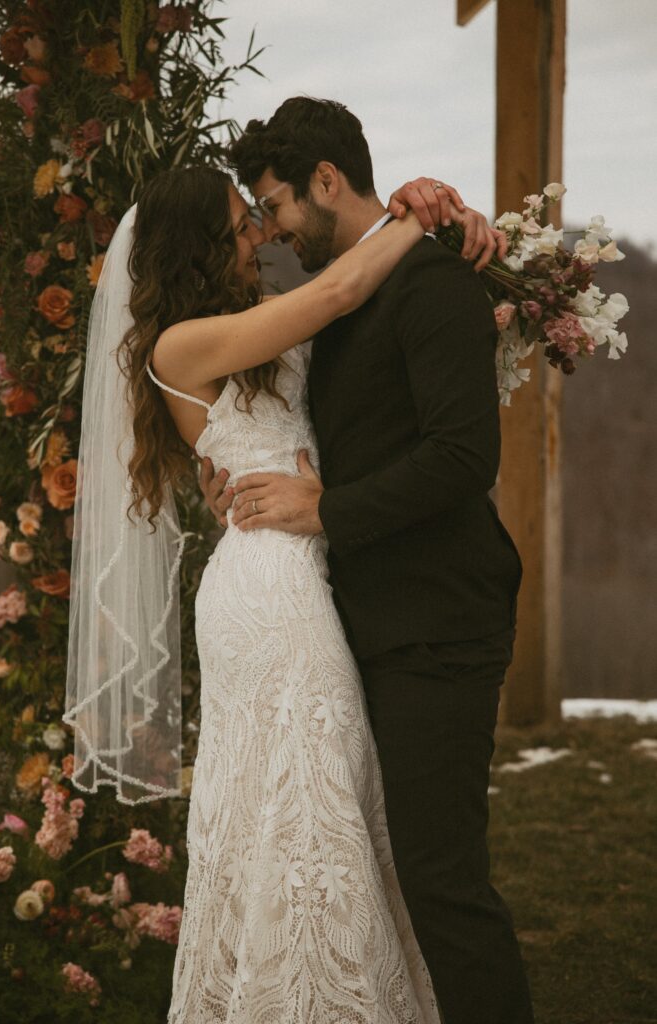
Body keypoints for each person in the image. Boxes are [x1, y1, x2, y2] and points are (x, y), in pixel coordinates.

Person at [64, 157, 502, 1023]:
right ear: (196, 243)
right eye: (239, 225)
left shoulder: (243, 325)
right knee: (307, 805)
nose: (256, 235)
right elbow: (336, 296)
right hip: (271, 587)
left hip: (306, 562)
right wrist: (416, 214)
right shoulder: (179, 345)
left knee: (319, 799)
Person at [200, 97, 535, 1024]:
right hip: (356, 622)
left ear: (326, 181)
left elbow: (465, 456)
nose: (269, 229)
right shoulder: (339, 289)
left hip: (437, 620)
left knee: (441, 881)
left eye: (274, 206)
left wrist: (325, 509)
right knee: (387, 873)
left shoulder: (429, 285)